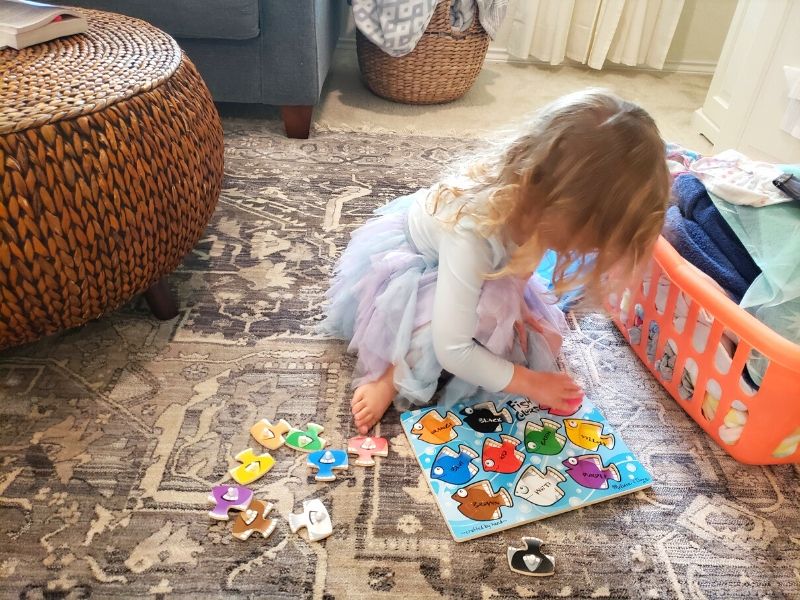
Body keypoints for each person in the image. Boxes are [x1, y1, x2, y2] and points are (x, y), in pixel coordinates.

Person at [322, 89, 670, 434]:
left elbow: (523, 265)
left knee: (517, 329)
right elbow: (453, 350)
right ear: (560, 209)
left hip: (479, 266)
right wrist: (531, 383)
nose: (583, 253)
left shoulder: (538, 203)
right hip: (415, 267)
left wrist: (516, 302)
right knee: (442, 337)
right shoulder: (472, 230)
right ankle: (392, 374)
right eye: (587, 243)